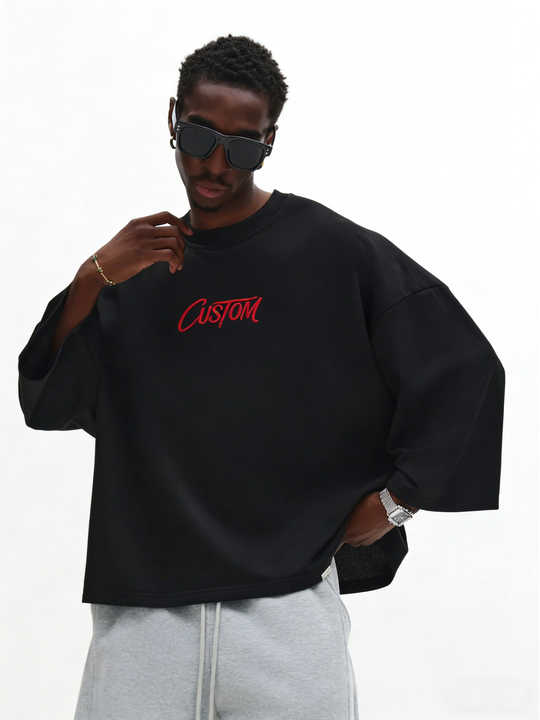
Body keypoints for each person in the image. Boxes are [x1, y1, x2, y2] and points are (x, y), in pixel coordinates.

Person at [17, 34, 505, 720]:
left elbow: (464, 368)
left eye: (243, 146)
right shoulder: (135, 273)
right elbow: (48, 401)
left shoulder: (331, 253)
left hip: (288, 616)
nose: (215, 164)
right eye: (199, 135)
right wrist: (91, 278)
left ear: (270, 140)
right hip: (143, 621)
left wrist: (398, 500)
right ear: (172, 118)